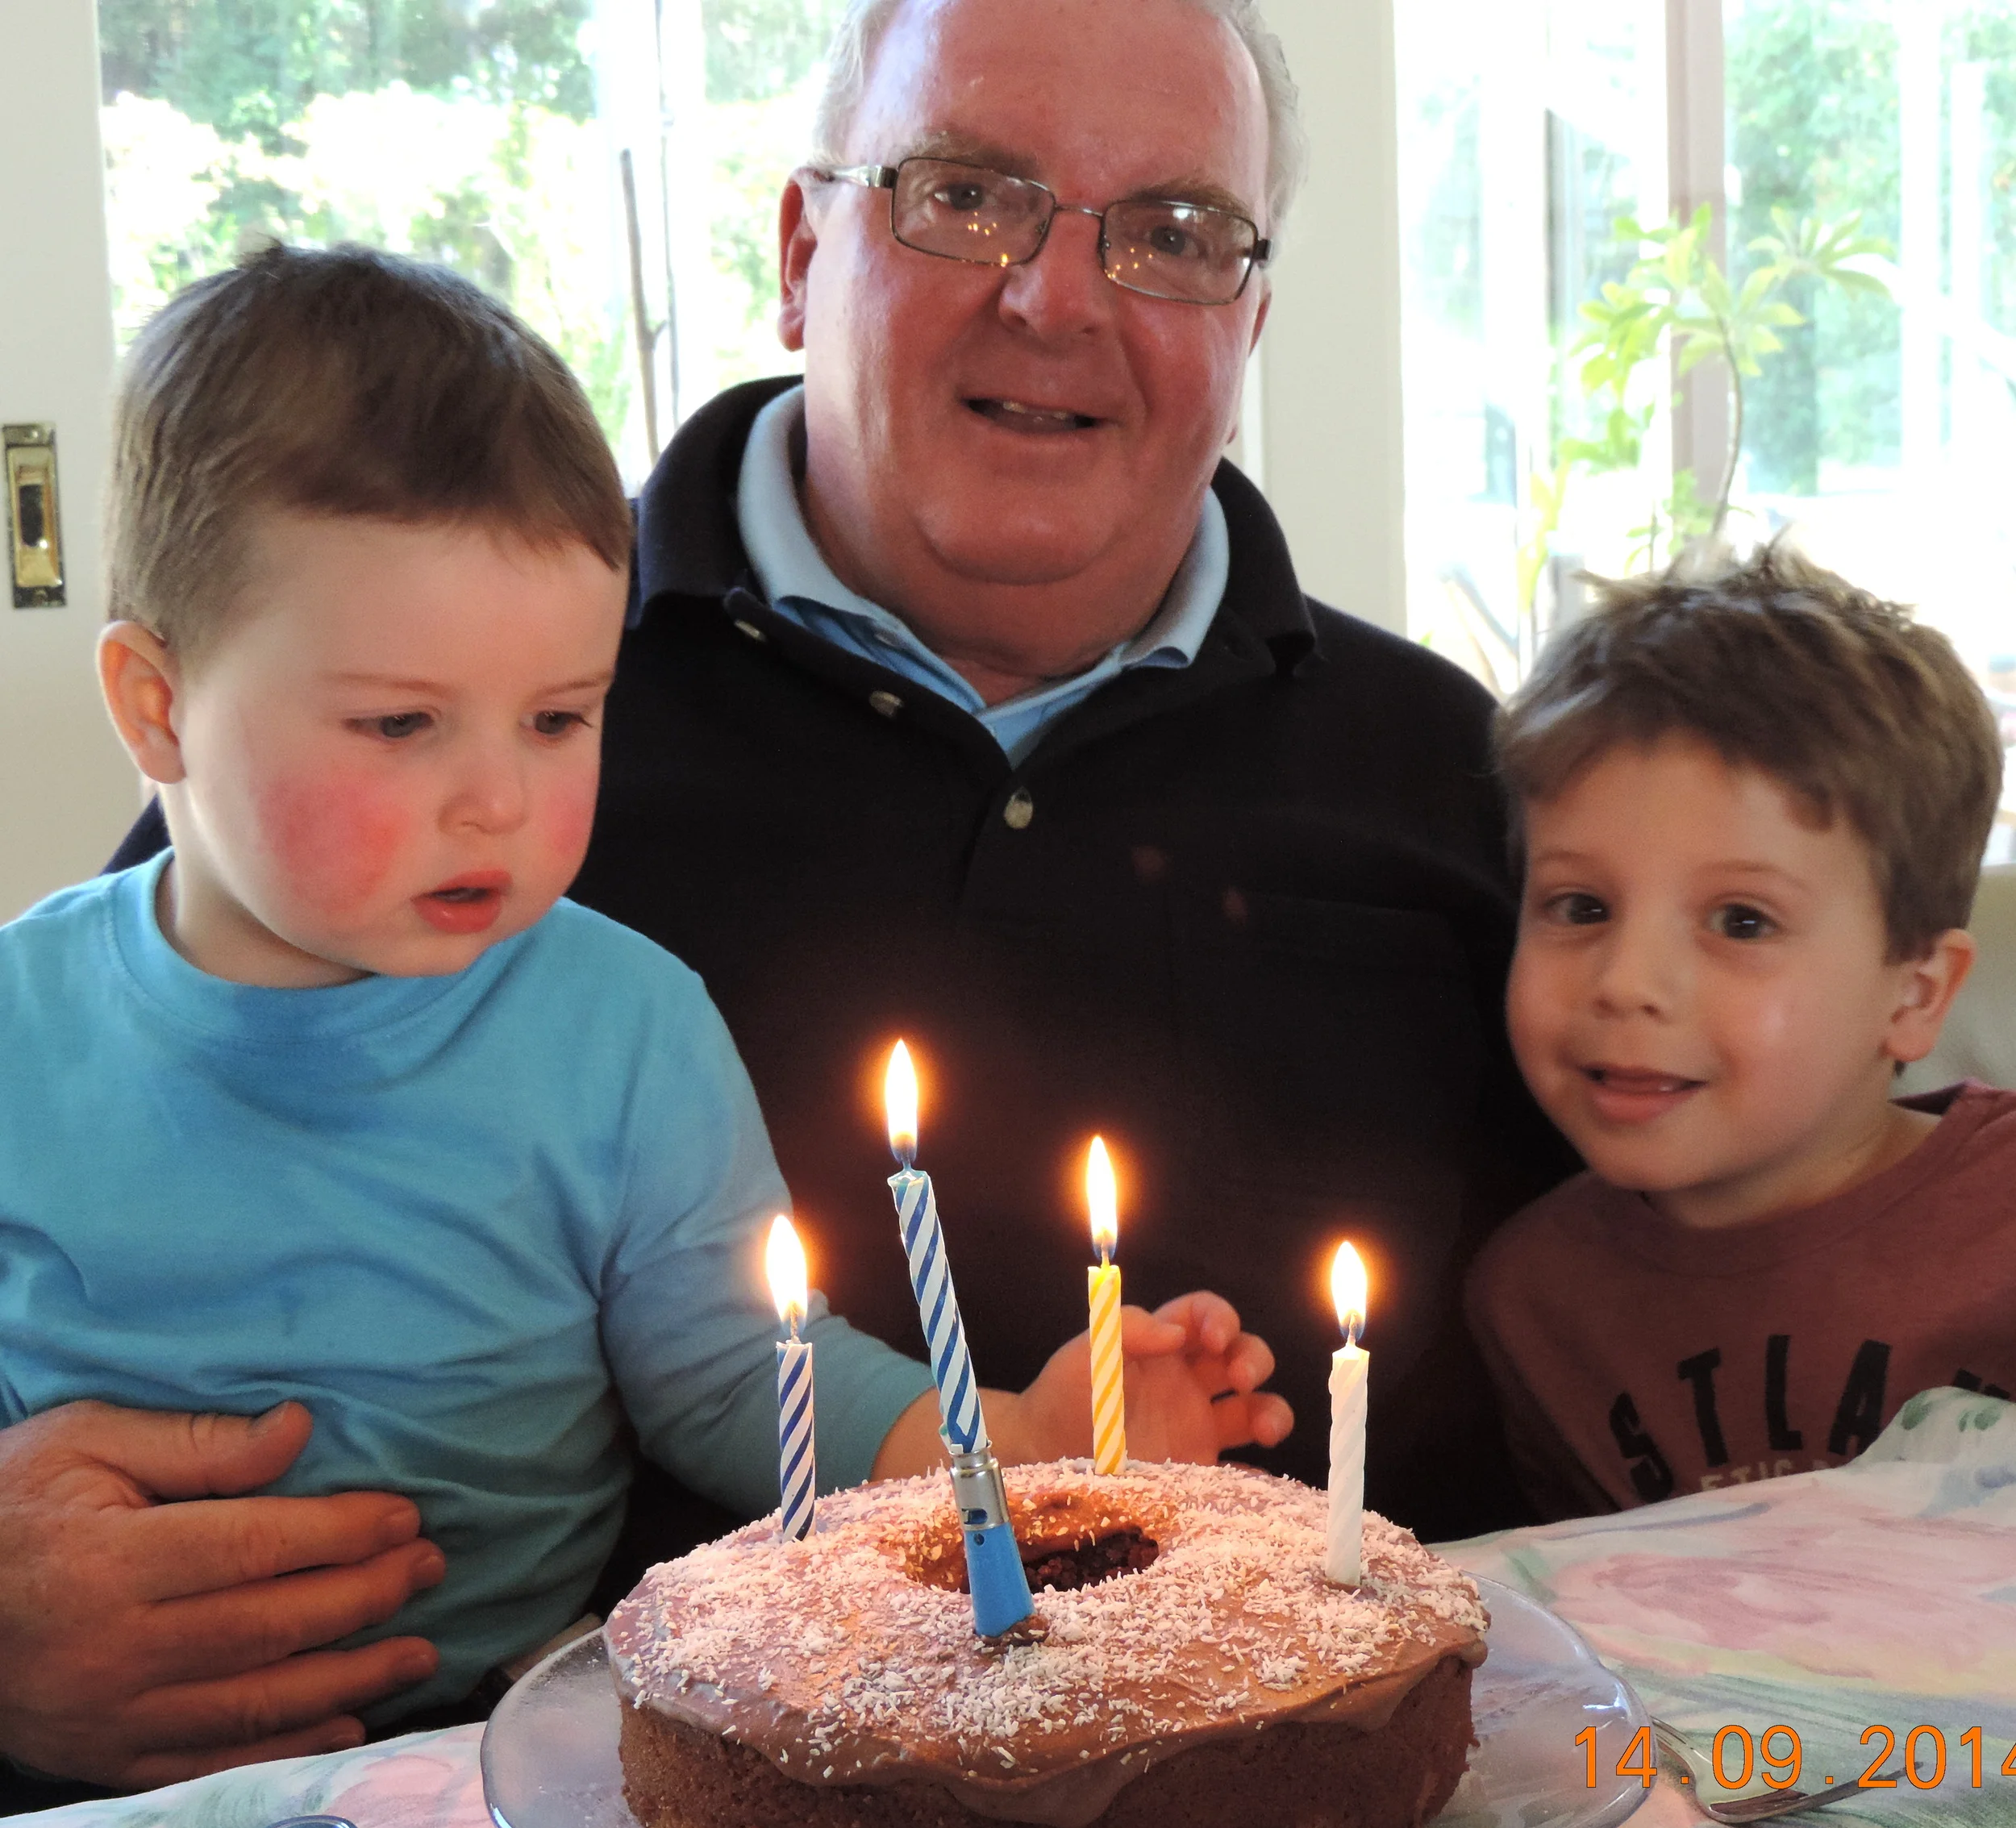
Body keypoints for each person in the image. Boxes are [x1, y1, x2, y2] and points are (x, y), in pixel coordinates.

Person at [106, 0, 1553, 1678]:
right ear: (802, 254)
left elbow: (1663, 1273)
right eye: (967, 194)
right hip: (587, 1759)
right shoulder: (445, 712)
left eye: (1171, 232)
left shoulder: (1443, 767)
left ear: (1248, 319)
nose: (1058, 297)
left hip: (1331, 1752)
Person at [0, 243, 1287, 1804]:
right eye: (401, 722)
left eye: (560, 716)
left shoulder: (621, 1026)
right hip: (70, 1800)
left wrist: (1011, 1436)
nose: (499, 796)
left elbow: (736, 1371)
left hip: (500, 1761)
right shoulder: (22, 1029)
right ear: (156, 706)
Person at [1467, 548, 2016, 1520]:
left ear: (1915, 993)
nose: (1626, 983)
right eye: (1580, 905)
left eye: (1741, 921)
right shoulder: (1533, 1302)